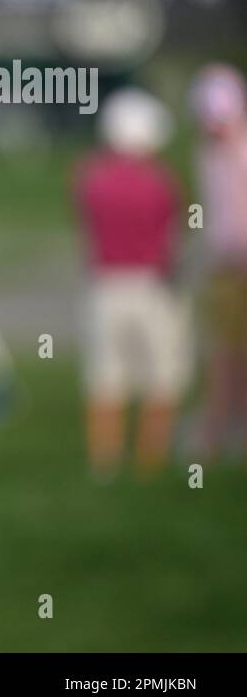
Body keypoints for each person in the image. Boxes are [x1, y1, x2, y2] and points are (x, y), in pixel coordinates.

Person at [73, 88, 187, 479]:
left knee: (106, 378)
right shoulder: (162, 179)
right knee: (162, 377)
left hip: (105, 284)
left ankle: (104, 463)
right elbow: (173, 234)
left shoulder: (90, 177)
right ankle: (149, 463)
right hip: (152, 284)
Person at [188, 65, 247, 459]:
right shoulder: (207, 154)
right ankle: (217, 433)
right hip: (227, 267)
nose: (217, 127)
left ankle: (213, 436)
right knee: (226, 353)